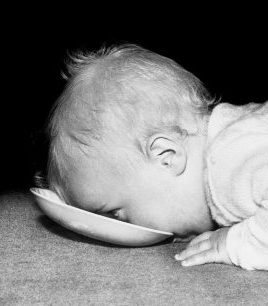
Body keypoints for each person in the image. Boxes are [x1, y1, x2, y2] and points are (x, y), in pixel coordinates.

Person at [46, 44, 268, 270]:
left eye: (117, 213)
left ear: (166, 156)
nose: (126, 226)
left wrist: (240, 243)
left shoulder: (228, 163)